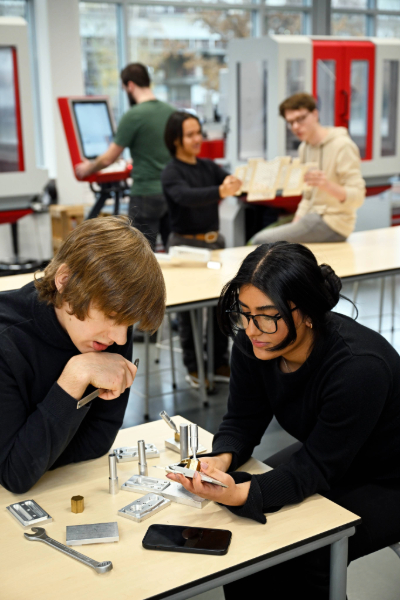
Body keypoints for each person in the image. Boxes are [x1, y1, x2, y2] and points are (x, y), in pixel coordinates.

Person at [166, 241, 400, 598]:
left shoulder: (358, 368)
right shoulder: (254, 344)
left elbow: (315, 469)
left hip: (387, 476)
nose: (252, 328)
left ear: (305, 311)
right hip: (331, 455)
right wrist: (221, 458)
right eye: (243, 312)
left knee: (312, 552)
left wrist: (242, 492)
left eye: (266, 315)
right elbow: (242, 420)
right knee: (241, 536)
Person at [0, 216, 165, 494]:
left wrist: (35, 452)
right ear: (64, 281)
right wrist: (74, 377)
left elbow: (98, 441)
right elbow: (15, 475)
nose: (121, 338)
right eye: (111, 317)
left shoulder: (106, 332)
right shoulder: (8, 340)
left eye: (128, 323)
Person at [161, 111, 242, 387]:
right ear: (176, 140)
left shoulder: (209, 166)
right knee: (189, 311)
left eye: (199, 133)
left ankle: (219, 362)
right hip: (184, 248)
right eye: (190, 134)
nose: (198, 139)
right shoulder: (171, 172)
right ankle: (194, 367)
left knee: (222, 304)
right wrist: (221, 191)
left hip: (215, 245)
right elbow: (185, 196)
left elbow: (229, 182)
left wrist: (238, 183)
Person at [75, 63, 175, 251]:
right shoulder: (170, 111)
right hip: (170, 191)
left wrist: (86, 168)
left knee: (140, 254)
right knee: (170, 251)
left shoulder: (134, 115)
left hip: (145, 193)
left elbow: (107, 159)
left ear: (129, 85)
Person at [250, 92, 366, 245]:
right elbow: (308, 197)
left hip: (333, 222)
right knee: (259, 238)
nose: (296, 126)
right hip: (311, 217)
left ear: (315, 114)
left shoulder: (342, 145)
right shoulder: (305, 148)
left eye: (300, 119)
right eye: (291, 122)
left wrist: (326, 185)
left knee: (261, 240)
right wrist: (296, 224)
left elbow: (358, 197)